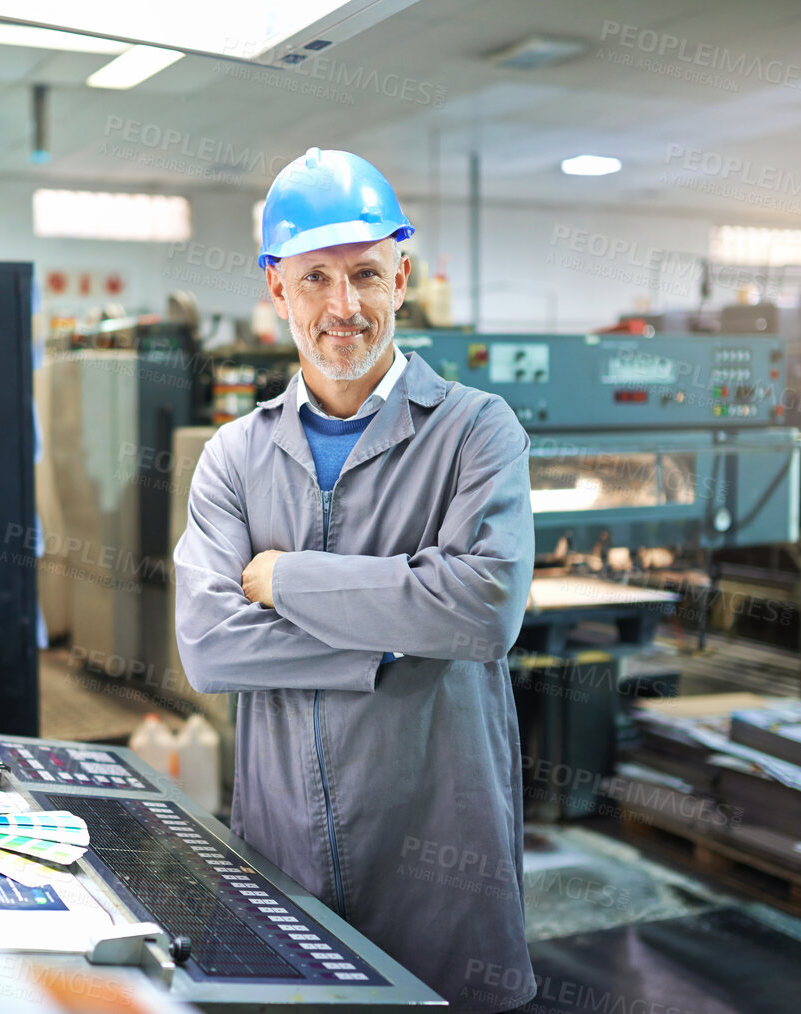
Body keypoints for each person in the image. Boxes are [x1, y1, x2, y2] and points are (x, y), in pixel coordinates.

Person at [172, 148, 536, 1013]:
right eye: (316, 279)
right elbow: (210, 647)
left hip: (441, 856)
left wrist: (286, 576)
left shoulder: (478, 434)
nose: (344, 307)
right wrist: (394, 637)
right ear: (276, 289)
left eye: (366, 274)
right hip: (282, 848)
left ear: (401, 276)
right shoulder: (235, 455)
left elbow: (482, 611)